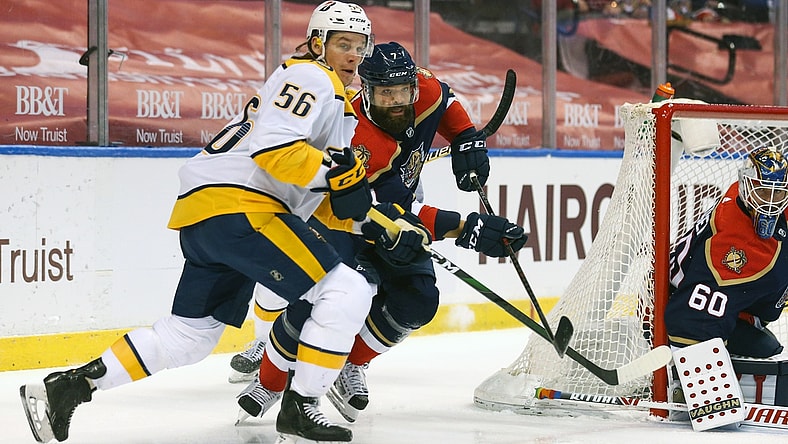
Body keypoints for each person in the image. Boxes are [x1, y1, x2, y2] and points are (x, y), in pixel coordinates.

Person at [19, 3, 423, 443]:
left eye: (360, 47)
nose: (353, 55)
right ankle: (301, 405)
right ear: (317, 43)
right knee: (347, 290)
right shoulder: (310, 76)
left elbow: (326, 199)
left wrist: (378, 223)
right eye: (343, 44)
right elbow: (274, 150)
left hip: (211, 218)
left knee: (188, 338)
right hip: (243, 209)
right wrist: (341, 177)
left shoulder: (333, 99)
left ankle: (68, 387)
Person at [233, 41, 527, 424]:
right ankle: (270, 381)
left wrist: (465, 137)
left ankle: (350, 364)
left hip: (398, 214)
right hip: (345, 222)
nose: (396, 101)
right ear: (366, 92)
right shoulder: (355, 137)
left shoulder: (426, 91)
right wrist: (466, 228)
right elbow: (387, 212)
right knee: (319, 304)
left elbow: (446, 99)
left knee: (418, 301)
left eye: (403, 91)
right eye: (385, 93)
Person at [666, 146, 788, 358]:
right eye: (762, 191)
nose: (769, 201)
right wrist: (695, 369)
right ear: (746, 186)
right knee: (766, 351)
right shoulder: (732, 245)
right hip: (682, 303)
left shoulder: (741, 198)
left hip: (723, 302)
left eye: (777, 192)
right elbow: (692, 326)